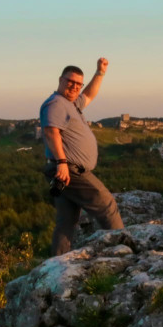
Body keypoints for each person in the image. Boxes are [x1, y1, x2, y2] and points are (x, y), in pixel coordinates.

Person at [40, 61, 124, 256]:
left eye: (78, 84)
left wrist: (100, 73)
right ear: (61, 80)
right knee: (107, 205)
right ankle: (122, 250)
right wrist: (62, 163)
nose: (75, 87)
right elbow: (51, 132)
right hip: (69, 170)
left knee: (66, 220)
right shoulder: (55, 104)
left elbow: (89, 95)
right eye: (70, 82)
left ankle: (57, 261)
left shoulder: (71, 103)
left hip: (62, 170)